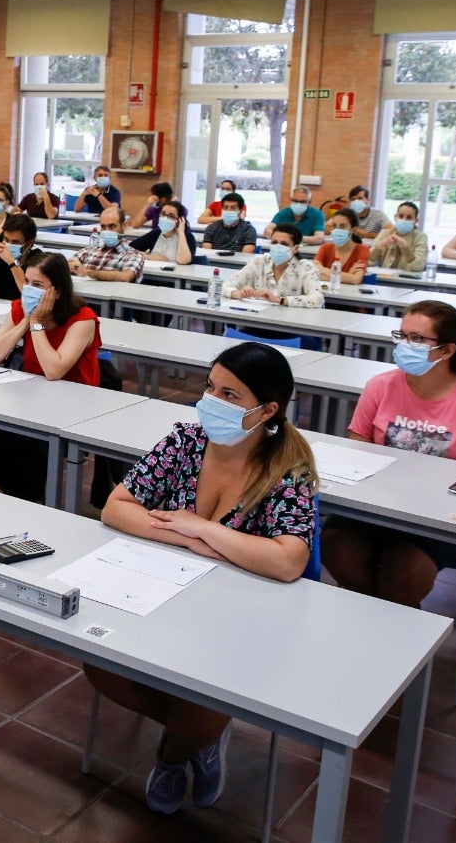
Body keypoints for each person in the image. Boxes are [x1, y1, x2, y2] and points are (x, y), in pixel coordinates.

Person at [84, 343, 316, 815]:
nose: (211, 401)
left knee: (203, 704)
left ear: (266, 410)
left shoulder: (285, 467)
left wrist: (202, 527)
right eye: (210, 387)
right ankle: (202, 736)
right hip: (162, 590)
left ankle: (176, 753)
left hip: (237, 620)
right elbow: (116, 507)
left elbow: (290, 559)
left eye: (230, 395)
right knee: (97, 661)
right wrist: (188, 540)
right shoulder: (185, 441)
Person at [322, 301, 456, 609]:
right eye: (401, 335)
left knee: (406, 572)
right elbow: (356, 451)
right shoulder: (381, 386)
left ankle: (393, 632)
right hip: (379, 503)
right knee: (335, 549)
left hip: (440, 516)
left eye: (417, 339)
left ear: (447, 350)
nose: (403, 345)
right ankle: (379, 619)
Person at [0, 253, 102, 502]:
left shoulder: (82, 319)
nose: (28, 289)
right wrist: (26, 321)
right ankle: (30, 499)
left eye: (37, 285)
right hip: (33, 400)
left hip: (74, 406)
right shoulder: (21, 309)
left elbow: (54, 371)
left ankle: (35, 500)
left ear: (57, 291)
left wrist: (37, 323)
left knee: (32, 448)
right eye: (27, 282)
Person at [226, 224, 323, 307]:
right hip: (258, 320)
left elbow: (317, 299)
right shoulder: (259, 262)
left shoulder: (306, 268)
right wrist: (238, 293)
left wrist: (279, 300)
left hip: (289, 324)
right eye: (274, 242)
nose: (278, 247)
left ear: (296, 248)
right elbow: (225, 285)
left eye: (284, 244)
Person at [72, 207, 145, 282]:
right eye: (103, 227)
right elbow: (69, 263)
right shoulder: (90, 249)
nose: (107, 231)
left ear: (124, 226)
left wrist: (88, 272)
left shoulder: (134, 255)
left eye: (112, 226)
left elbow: (125, 277)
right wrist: (74, 265)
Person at [130, 199, 196, 265]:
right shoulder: (156, 233)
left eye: (171, 216)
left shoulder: (188, 237)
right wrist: (147, 256)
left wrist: (181, 232)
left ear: (180, 220)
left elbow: (183, 261)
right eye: (163, 214)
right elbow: (128, 249)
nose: (165, 218)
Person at [368, 201, 427, 274]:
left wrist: (405, 247)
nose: (404, 220)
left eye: (409, 217)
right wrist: (380, 246)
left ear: (416, 220)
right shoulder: (384, 233)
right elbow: (368, 262)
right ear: (395, 217)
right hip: (385, 277)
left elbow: (419, 267)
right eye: (401, 216)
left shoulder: (421, 237)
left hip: (407, 280)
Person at [314, 211, 369, 286]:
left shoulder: (362, 249)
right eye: (334, 225)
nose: (337, 230)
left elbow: (356, 280)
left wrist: (322, 269)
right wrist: (348, 276)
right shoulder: (325, 248)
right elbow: (313, 274)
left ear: (353, 229)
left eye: (342, 226)